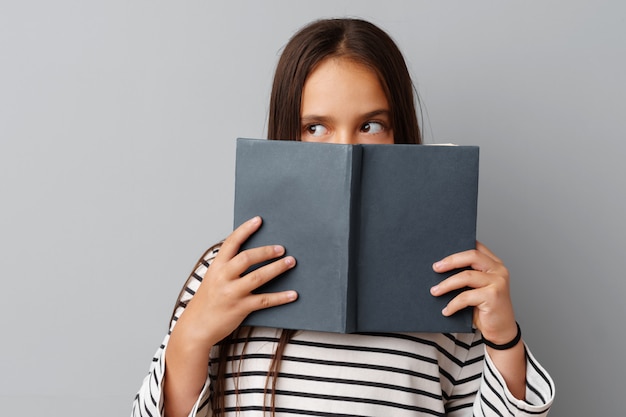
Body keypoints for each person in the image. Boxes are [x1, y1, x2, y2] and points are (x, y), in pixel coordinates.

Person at [132, 18, 554, 417]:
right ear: (286, 136)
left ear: (400, 134)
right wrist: (190, 338)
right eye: (315, 128)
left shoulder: (448, 284)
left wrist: (505, 339)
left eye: (371, 125)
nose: (345, 152)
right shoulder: (227, 274)